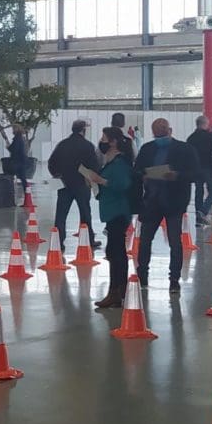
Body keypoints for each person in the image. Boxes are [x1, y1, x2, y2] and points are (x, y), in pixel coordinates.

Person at [134, 118, 199, 294]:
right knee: (145, 240)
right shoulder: (147, 149)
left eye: (163, 129)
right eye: (157, 131)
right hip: (152, 201)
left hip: (174, 202)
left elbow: (195, 173)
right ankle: (142, 275)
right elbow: (137, 170)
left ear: (170, 130)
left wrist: (177, 175)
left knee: (175, 242)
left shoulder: (184, 149)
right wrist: (144, 176)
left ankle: (174, 280)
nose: (161, 133)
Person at [89, 127, 136, 309]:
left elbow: (122, 184)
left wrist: (101, 181)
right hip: (112, 210)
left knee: (116, 252)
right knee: (114, 251)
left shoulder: (120, 163)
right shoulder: (111, 162)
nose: (101, 142)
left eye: (104, 138)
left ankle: (117, 291)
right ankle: (117, 290)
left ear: (113, 142)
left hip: (118, 211)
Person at [47, 119, 101, 251]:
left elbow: (51, 162)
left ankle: (58, 242)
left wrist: (57, 175)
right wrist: (90, 178)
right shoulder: (88, 146)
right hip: (81, 184)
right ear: (83, 130)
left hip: (64, 184)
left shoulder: (62, 144)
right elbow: (95, 165)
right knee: (85, 213)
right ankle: (88, 240)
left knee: (61, 214)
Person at [186, 115, 212, 227]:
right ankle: (203, 211)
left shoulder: (190, 138)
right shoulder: (210, 137)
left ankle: (198, 217)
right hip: (208, 168)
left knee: (198, 192)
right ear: (205, 124)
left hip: (195, 169)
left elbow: (188, 156)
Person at [7, 123, 29, 197]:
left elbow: (15, 149)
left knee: (11, 176)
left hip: (17, 161)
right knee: (23, 178)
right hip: (21, 160)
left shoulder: (17, 138)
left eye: (14, 128)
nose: (12, 130)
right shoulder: (20, 137)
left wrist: (9, 147)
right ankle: (27, 193)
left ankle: (11, 194)